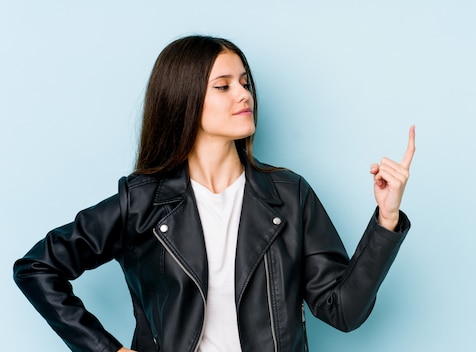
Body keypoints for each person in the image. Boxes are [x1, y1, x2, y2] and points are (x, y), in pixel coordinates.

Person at [13, 35, 415, 352]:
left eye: (244, 82)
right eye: (223, 86)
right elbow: (36, 268)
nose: (243, 94)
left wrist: (387, 219)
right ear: (183, 101)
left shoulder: (289, 195)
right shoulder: (143, 202)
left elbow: (343, 310)